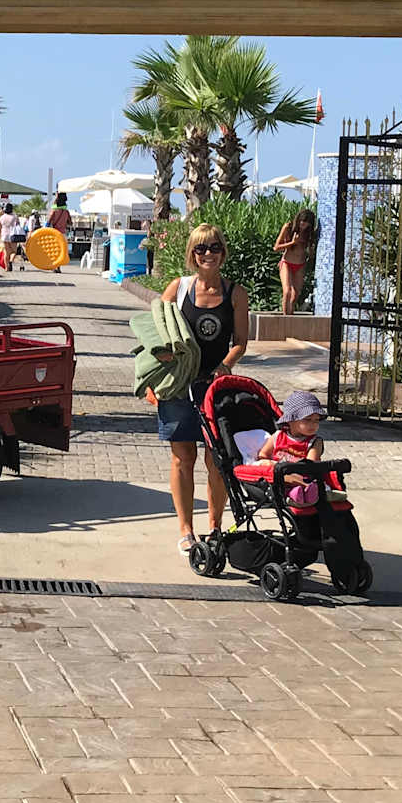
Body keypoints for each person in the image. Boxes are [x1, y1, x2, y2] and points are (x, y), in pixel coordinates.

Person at [144, 222, 249, 555]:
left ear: (223, 252)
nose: (208, 254)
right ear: (192, 253)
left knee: (216, 459)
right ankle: (186, 530)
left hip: (216, 388)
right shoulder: (179, 289)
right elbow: (153, 332)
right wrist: (153, 378)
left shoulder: (236, 293)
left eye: (214, 247)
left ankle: (215, 527)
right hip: (178, 385)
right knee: (182, 458)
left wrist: (225, 365)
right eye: (201, 248)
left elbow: (240, 342)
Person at [274, 208, 319, 312]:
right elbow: (276, 247)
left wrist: (311, 251)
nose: (303, 224)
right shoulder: (288, 228)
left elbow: (310, 251)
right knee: (287, 291)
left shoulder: (309, 233)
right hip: (287, 263)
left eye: (307, 223)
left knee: (295, 295)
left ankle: (290, 314)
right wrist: (292, 243)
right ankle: (285, 317)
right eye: (302, 221)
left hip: (300, 264)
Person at [46, 192, 73, 273]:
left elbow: (48, 222)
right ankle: (58, 267)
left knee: (54, 251)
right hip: (63, 234)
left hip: (55, 233)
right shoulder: (66, 212)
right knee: (60, 251)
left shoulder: (54, 211)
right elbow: (70, 223)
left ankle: (55, 266)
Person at [0, 201, 26, 269]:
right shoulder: (14, 217)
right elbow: (18, 225)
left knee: (6, 253)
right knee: (14, 251)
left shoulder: (2, 217)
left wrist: (0, 235)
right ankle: (10, 261)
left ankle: (7, 267)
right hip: (13, 236)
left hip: (4, 236)